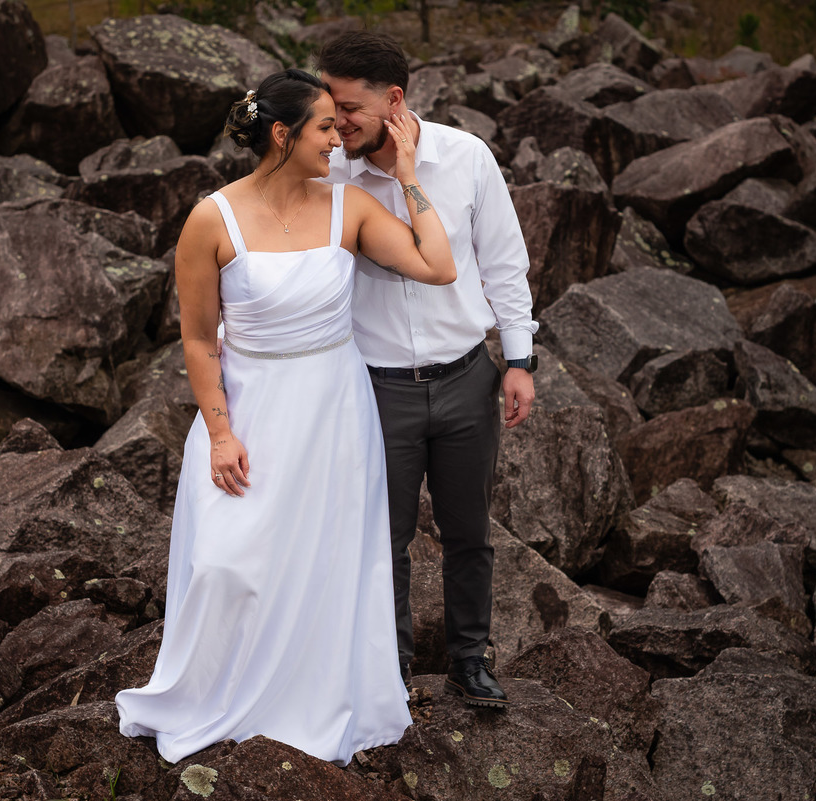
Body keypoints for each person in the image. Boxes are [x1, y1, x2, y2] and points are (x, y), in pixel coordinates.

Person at [115, 68, 456, 766]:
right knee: (227, 562)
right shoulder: (213, 217)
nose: (340, 139)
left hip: (334, 409)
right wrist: (218, 431)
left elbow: (438, 265)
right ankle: (217, 697)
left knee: (329, 562)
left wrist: (411, 174)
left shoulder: (349, 207)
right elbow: (198, 337)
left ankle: (313, 702)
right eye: (326, 127)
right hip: (250, 410)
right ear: (282, 134)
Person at [318, 32, 538, 709]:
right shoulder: (332, 175)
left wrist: (519, 358)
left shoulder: (466, 156)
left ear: (394, 101)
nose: (336, 124)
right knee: (384, 538)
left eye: (348, 109)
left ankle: (471, 660)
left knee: (470, 531)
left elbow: (504, 261)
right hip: (376, 386)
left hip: (468, 377)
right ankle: (393, 669)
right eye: (328, 108)